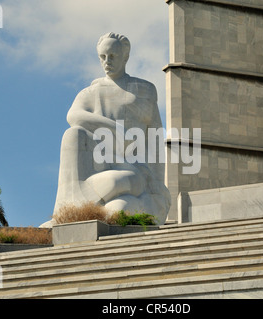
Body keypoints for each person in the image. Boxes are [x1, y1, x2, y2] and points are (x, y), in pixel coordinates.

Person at [44, 32, 170, 227]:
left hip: (135, 170)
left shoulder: (144, 90)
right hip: (101, 168)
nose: (107, 61)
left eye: (112, 56)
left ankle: (83, 210)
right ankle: (67, 212)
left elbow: (154, 138)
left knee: (123, 198)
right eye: (102, 57)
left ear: (125, 57)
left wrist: (157, 182)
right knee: (73, 134)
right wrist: (115, 128)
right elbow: (73, 116)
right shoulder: (91, 92)